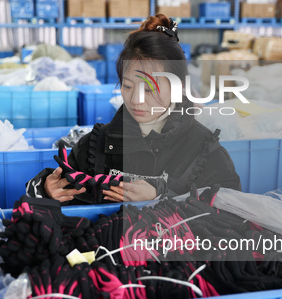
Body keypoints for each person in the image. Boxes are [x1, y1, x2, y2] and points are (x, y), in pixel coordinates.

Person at [26, 14, 241, 204]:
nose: (136, 100)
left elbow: (231, 209)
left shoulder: (204, 151)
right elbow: (48, 193)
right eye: (128, 86)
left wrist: (163, 196)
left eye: (149, 90)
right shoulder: (94, 145)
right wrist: (47, 190)